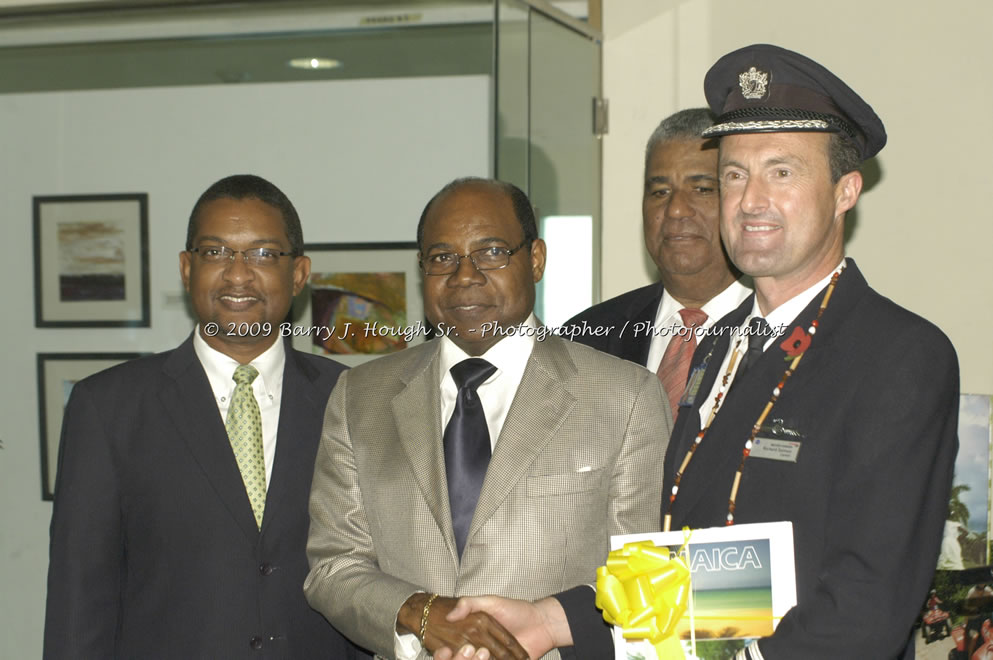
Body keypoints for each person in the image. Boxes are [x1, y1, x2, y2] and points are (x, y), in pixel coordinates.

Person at [442, 44, 959, 660]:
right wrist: (553, 621)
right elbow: (725, 574)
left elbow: (866, 608)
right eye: (735, 174)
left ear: (846, 190)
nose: (752, 199)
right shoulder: (718, 342)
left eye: (783, 172)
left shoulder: (898, 356)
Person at [303, 177, 670, 660]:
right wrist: (419, 611)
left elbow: (647, 578)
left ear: (535, 259)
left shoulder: (626, 397)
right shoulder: (360, 396)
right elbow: (332, 566)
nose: (464, 276)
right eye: (441, 258)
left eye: (491, 252)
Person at [43, 174, 359, 658]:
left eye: (262, 254)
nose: (237, 274)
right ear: (187, 268)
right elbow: (79, 603)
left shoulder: (352, 398)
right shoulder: (106, 409)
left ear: (298, 274)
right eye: (215, 253)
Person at [563, 108, 751, 417]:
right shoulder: (584, 340)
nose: (676, 209)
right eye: (660, 192)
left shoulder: (785, 330)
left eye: (702, 189)